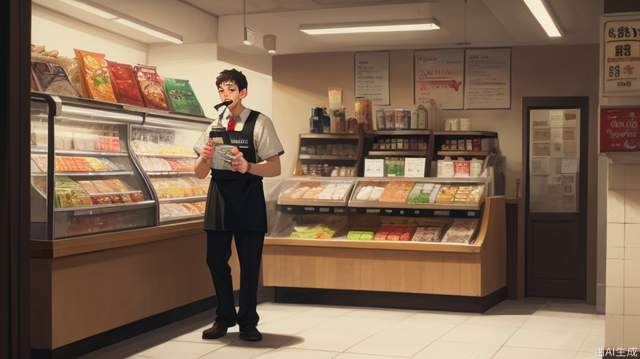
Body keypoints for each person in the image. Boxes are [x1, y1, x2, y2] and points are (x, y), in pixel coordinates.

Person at [194, 69, 284, 342]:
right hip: (219, 196)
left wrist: (248, 166)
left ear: (243, 92)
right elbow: (198, 172)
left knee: (250, 263)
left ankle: (248, 322)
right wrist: (205, 159)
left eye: (230, 89)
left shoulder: (260, 122)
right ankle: (223, 317)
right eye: (221, 90)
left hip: (248, 197)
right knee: (215, 260)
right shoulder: (213, 126)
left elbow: (275, 167)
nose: (225, 95)